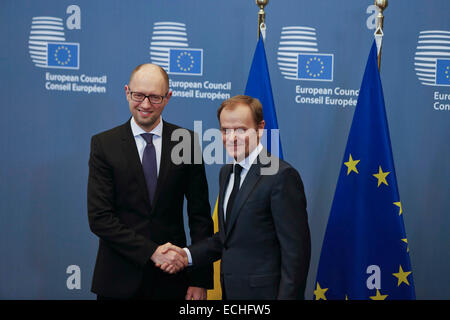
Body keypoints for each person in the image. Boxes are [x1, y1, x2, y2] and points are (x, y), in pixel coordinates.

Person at [87, 63, 213, 300]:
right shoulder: (104, 144)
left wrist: (199, 279)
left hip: (173, 280)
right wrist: (152, 252)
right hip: (117, 280)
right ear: (127, 92)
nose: (145, 104)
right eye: (138, 95)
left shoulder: (186, 141)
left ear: (168, 97)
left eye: (155, 97)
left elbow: (200, 217)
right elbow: (100, 218)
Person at [166, 95, 311, 300]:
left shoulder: (281, 176)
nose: (232, 137)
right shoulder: (226, 173)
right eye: (226, 130)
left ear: (260, 129)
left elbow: (295, 255)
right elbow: (227, 239)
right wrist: (185, 255)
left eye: (241, 130)